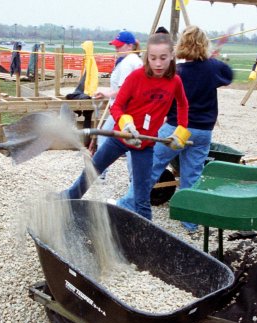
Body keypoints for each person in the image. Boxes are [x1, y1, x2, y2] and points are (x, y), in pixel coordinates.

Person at [61, 32, 190, 221]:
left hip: (144, 147)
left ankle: (147, 231)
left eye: (163, 58)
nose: (158, 64)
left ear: (172, 56)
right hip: (121, 139)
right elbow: (118, 106)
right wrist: (127, 124)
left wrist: (181, 131)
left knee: (142, 195)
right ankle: (65, 202)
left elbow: (183, 105)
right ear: (147, 57)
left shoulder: (175, 82)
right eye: (153, 58)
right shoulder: (136, 77)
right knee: (91, 172)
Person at [116, 25, 233, 232]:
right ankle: (190, 221)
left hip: (176, 128)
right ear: (204, 45)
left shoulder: (175, 72)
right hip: (203, 131)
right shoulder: (213, 68)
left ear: (181, 45)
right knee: (192, 175)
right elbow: (228, 74)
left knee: (150, 168)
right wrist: (211, 61)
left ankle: (126, 206)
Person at [92, 31, 142, 178]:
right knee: (130, 142)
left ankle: (99, 172)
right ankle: (103, 172)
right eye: (116, 46)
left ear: (130, 46)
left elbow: (123, 91)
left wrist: (106, 93)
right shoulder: (134, 60)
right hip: (129, 108)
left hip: (123, 109)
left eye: (119, 46)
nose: (117, 49)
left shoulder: (127, 63)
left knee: (112, 138)